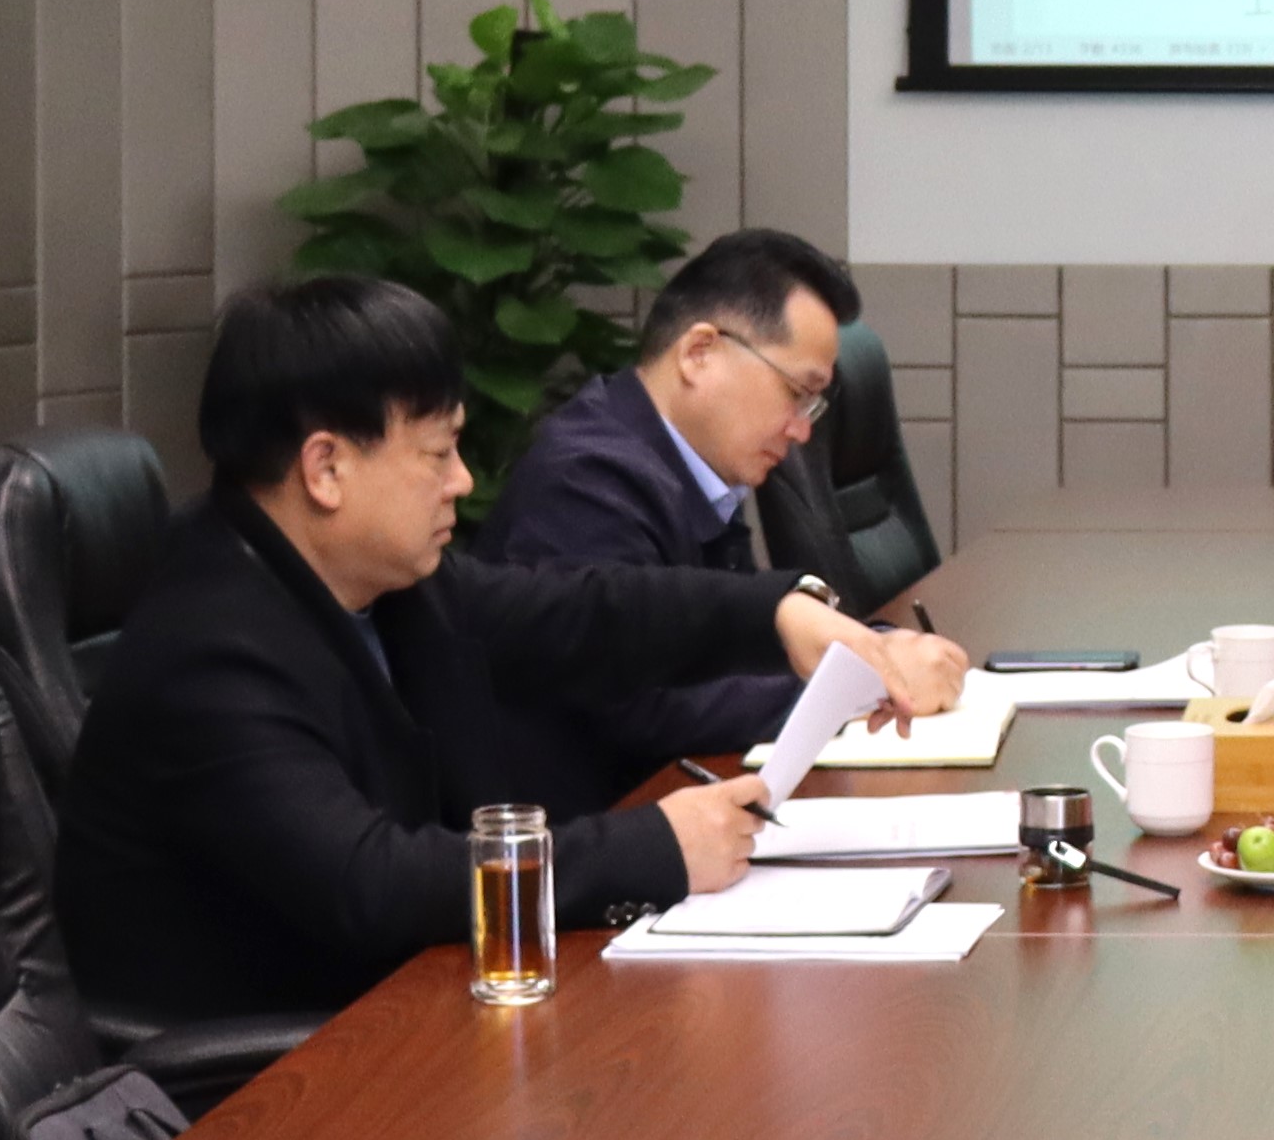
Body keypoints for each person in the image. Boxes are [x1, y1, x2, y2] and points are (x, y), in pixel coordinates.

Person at [59, 273, 972, 1025]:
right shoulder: (212, 652)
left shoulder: (386, 582)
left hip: (404, 1007)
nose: (462, 482)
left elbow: (583, 610)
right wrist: (653, 846)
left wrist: (777, 615)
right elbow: (366, 881)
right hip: (266, 1091)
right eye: (438, 454)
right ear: (326, 468)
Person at [473, 227, 871, 794]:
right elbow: (642, 705)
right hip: (587, 830)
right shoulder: (587, 478)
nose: (801, 430)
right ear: (699, 353)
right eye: (796, 392)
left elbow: (731, 651)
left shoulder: (693, 464)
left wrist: (868, 652)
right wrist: (853, 686)